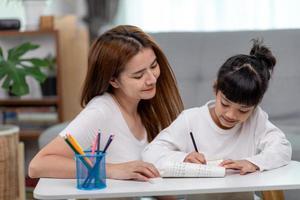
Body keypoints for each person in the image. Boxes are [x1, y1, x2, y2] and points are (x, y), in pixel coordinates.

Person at [29, 25, 184, 181]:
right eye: (138, 75)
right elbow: (37, 166)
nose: (152, 79)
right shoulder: (100, 112)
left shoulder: (145, 105)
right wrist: (111, 170)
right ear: (113, 80)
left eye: (154, 66)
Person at [142, 39, 292, 176]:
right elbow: (150, 153)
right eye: (225, 104)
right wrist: (183, 157)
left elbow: (283, 148)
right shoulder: (191, 120)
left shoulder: (256, 119)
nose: (231, 115)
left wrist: (253, 162)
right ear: (215, 89)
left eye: (243, 110)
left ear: (256, 105)